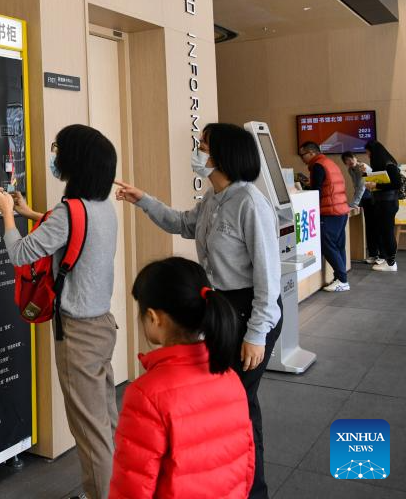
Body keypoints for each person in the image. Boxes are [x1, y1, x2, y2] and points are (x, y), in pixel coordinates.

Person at [115, 123, 281, 499]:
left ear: (223, 155)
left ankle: (253, 489)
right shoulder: (214, 198)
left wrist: (256, 334)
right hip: (223, 308)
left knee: (240, 400)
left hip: (251, 310)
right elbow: (182, 224)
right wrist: (143, 199)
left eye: (203, 145)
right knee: (225, 398)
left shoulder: (250, 203)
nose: (198, 151)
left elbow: (268, 278)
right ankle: (217, 477)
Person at [0, 124, 118, 499]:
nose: (54, 155)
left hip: (77, 334)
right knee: (104, 422)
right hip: (103, 326)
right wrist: (30, 212)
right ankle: (113, 489)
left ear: (75, 160)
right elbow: (68, 227)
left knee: (89, 432)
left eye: (58, 149)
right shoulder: (99, 207)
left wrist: (8, 213)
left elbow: (20, 254)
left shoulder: (69, 211)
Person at [110, 257, 254, 499]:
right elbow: (247, 463)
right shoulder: (230, 378)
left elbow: (132, 486)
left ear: (155, 318)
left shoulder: (146, 394)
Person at [298, 142, 351, 291]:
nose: (302, 159)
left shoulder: (318, 166)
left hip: (329, 212)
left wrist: (304, 189)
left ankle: (342, 280)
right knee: (338, 245)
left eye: (302, 155)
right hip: (341, 209)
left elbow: (317, 191)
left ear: (311, 153)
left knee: (328, 245)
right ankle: (341, 278)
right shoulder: (329, 163)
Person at [364, 140, 401, 272]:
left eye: (369, 153)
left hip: (388, 204)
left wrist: (376, 185)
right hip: (382, 203)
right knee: (384, 232)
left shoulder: (389, 165)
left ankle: (391, 263)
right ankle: (387, 260)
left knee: (387, 232)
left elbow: (397, 184)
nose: (368, 156)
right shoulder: (383, 164)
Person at [342, 151, 378, 263]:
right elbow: (356, 186)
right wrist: (355, 202)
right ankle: (373, 255)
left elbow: (362, 186)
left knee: (374, 227)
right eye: (346, 161)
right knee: (369, 227)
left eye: (350, 158)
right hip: (364, 199)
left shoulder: (363, 167)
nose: (349, 161)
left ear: (355, 157)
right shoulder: (350, 169)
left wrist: (354, 203)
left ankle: (380, 256)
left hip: (372, 198)